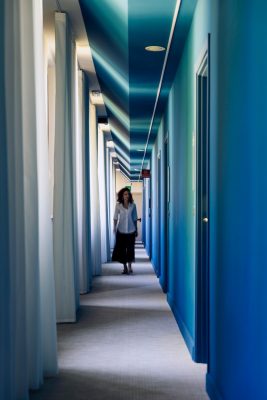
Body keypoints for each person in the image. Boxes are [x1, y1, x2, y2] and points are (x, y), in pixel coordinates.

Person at [112, 187, 138, 274]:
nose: (127, 196)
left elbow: (134, 218)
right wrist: (114, 227)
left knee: (130, 249)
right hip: (121, 231)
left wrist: (136, 229)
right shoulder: (118, 206)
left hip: (131, 231)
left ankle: (130, 266)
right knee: (122, 250)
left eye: (128, 194)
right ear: (122, 196)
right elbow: (115, 217)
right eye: (125, 194)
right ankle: (125, 267)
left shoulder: (133, 205)